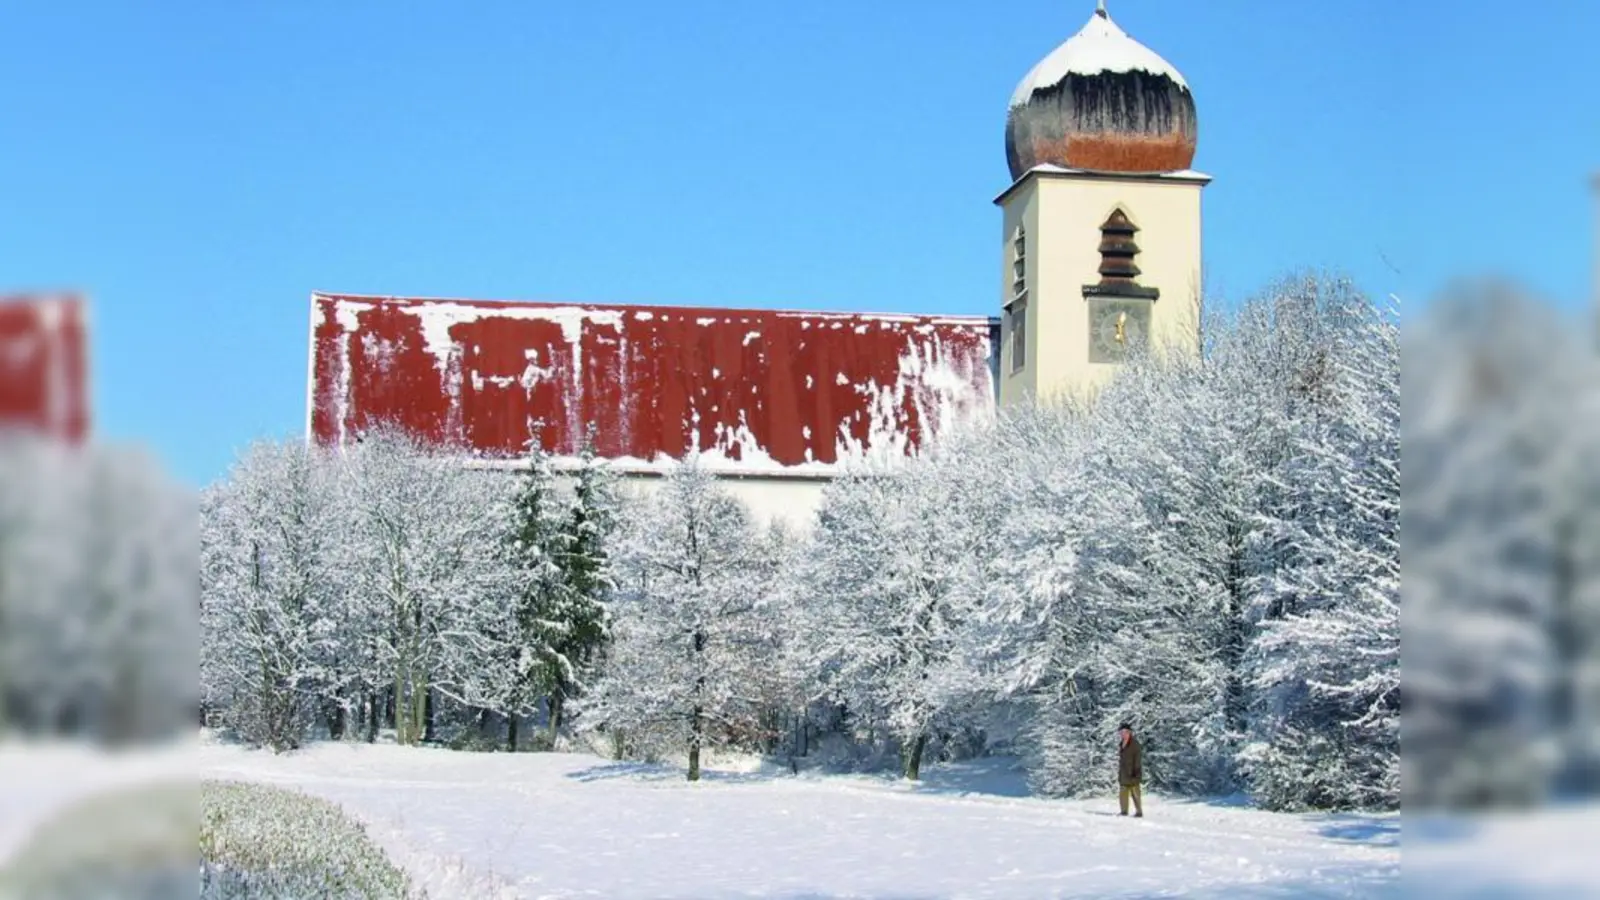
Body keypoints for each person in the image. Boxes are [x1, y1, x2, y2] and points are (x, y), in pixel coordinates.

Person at [1117, 722, 1143, 817]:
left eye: (1125, 732)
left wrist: (1136, 773)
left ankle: (1139, 812)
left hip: (1133, 772)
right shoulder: (1121, 744)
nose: (1123, 734)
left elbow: (1137, 760)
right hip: (1124, 773)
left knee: (1135, 794)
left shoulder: (1135, 745)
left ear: (1129, 732)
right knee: (1123, 793)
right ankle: (1124, 811)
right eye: (1121, 732)